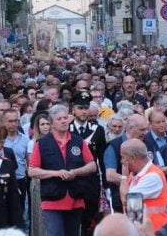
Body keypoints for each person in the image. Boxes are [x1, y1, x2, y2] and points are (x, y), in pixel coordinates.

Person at [28, 105, 97, 236]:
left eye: (65, 118)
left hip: (76, 198)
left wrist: (76, 172)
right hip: (52, 199)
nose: (64, 121)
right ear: (52, 123)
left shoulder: (78, 141)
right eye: (59, 119)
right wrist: (55, 173)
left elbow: (92, 165)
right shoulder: (42, 143)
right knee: (56, 233)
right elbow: (32, 171)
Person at [68, 91, 106, 235]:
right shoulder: (67, 129)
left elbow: (102, 159)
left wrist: (105, 185)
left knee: (90, 220)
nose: (83, 111)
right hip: (72, 180)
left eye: (85, 108)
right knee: (72, 220)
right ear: (73, 110)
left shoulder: (98, 130)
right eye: (80, 108)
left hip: (91, 181)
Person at [119, 138, 167, 231]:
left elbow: (126, 200)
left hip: (155, 230)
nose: (121, 161)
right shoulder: (135, 174)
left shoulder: (153, 177)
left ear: (133, 158)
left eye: (123, 157)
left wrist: (124, 177)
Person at [104, 113, 149, 212]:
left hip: (148, 198)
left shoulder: (148, 142)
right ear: (130, 128)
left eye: (146, 129)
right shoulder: (114, 146)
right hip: (123, 201)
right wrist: (131, 180)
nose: (145, 132)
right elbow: (110, 175)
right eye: (142, 130)